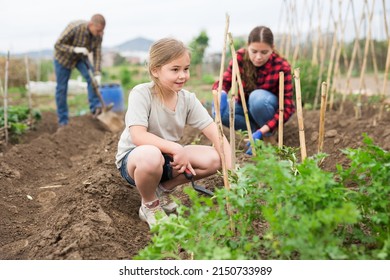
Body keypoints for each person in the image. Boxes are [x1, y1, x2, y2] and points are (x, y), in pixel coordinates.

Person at [115, 38, 232, 229]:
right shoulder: (141, 94)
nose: (182, 76)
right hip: (136, 161)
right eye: (175, 69)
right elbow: (138, 136)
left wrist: (233, 174)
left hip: (168, 159)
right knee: (151, 155)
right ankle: (149, 205)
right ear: (155, 70)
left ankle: (162, 190)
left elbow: (215, 134)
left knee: (214, 159)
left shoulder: (188, 100)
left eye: (186, 69)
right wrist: (176, 148)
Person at [212, 26, 295, 154]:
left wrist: (264, 129)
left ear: (272, 48)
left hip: (266, 110)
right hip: (245, 108)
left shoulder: (281, 66)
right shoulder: (239, 58)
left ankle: (268, 135)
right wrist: (220, 93)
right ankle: (255, 135)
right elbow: (225, 81)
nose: (258, 57)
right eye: (254, 51)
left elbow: (288, 107)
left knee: (257, 98)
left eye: (264, 52)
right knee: (222, 112)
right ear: (248, 46)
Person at [54, 14, 105, 126]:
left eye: (101, 31)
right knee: (61, 88)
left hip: (80, 58)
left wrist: (97, 73)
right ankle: (63, 121)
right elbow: (57, 45)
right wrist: (75, 49)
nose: (99, 34)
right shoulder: (75, 27)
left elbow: (97, 54)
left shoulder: (99, 35)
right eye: (97, 31)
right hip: (63, 59)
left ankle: (95, 109)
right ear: (91, 24)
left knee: (93, 81)